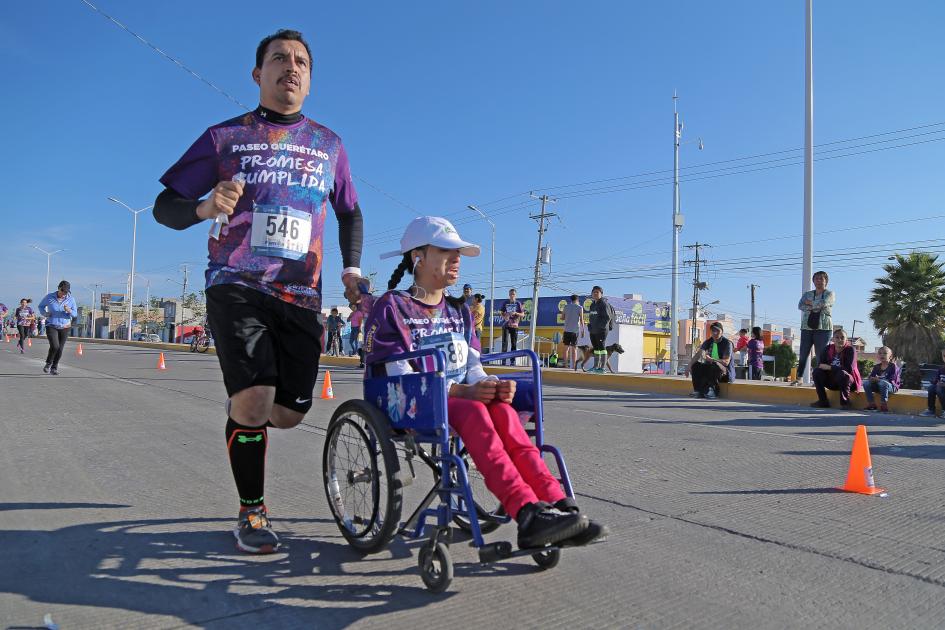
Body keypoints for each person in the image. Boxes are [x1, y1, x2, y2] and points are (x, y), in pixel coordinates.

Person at [153, 29, 364, 554]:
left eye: (301, 62)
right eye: (278, 59)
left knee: (288, 414)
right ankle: (252, 511)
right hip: (236, 283)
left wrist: (352, 270)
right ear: (257, 75)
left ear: (310, 80)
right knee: (252, 402)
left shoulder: (329, 146)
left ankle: (252, 417)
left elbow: (350, 211)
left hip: (301, 296)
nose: (290, 68)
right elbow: (164, 206)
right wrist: (204, 207)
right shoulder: (225, 137)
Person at [365, 216, 606, 549]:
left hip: (460, 398)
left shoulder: (460, 312)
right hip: (413, 400)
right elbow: (398, 374)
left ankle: (560, 506)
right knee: (475, 413)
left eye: (458, 252)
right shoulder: (393, 307)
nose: (457, 259)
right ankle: (526, 513)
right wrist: (463, 391)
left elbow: (473, 366)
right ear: (418, 257)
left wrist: (491, 384)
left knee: (504, 411)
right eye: (446, 251)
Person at [796, 271, 835, 384]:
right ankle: (799, 378)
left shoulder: (830, 293)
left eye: (821, 279)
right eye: (816, 279)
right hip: (807, 327)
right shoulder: (807, 294)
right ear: (813, 281)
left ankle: (819, 380)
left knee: (820, 355)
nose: (818, 281)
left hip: (824, 328)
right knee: (803, 353)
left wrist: (810, 304)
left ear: (826, 281)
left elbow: (824, 303)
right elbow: (800, 305)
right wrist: (815, 305)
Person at [810, 328, 862, 409]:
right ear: (833, 339)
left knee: (843, 374)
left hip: (848, 383)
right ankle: (823, 401)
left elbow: (848, 369)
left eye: (842, 337)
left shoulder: (850, 350)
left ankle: (845, 403)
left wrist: (830, 367)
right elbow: (821, 365)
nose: (839, 339)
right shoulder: (827, 349)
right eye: (837, 337)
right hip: (832, 381)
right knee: (817, 372)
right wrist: (831, 368)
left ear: (846, 339)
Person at [685, 322, 735, 399]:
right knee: (696, 365)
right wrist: (689, 366)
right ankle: (698, 390)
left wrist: (712, 359)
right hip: (711, 369)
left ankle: (713, 390)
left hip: (725, 373)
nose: (715, 333)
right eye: (713, 331)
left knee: (714, 364)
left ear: (722, 332)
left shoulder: (727, 343)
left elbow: (726, 362)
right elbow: (698, 354)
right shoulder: (709, 342)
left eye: (717, 330)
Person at [37, 281, 77, 375]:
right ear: (58, 288)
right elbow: (41, 306)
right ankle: (48, 363)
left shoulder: (71, 299)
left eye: (66, 292)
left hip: (65, 326)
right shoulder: (49, 297)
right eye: (62, 290)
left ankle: (54, 368)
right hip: (51, 325)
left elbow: (75, 314)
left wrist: (69, 310)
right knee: (55, 346)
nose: (64, 293)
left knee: (60, 348)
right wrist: (45, 313)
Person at [862, 346, 900, 412]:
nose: (882, 355)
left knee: (883, 383)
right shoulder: (876, 366)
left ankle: (883, 405)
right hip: (879, 386)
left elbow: (891, 380)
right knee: (866, 384)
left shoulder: (893, 366)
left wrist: (879, 380)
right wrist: (872, 378)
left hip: (891, 387)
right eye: (880, 353)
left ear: (890, 356)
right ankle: (872, 404)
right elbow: (871, 377)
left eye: (885, 353)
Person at [587, 286, 613, 374]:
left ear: (601, 294)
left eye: (597, 292)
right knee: (596, 348)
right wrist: (590, 326)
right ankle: (595, 367)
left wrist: (600, 327)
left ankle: (602, 368)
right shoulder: (592, 304)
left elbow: (607, 317)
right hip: (593, 330)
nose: (595, 293)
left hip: (601, 330)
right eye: (594, 292)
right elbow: (591, 317)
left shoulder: (604, 304)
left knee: (602, 348)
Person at [500, 288, 524, 365]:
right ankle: (503, 360)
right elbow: (501, 312)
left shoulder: (518, 303)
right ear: (509, 295)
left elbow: (522, 314)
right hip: (506, 325)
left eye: (513, 294)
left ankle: (512, 361)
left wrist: (516, 313)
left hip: (514, 325)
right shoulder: (505, 302)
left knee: (514, 344)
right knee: (505, 342)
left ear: (515, 295)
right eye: (510, 294)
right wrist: (505, 316)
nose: (512, 296)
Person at [562, 294, 585, 371]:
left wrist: (567, 316)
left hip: (566, 330)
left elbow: (562, 318)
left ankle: (565, 365)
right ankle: (574, 366)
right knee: (574, 349)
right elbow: (582, 320)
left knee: (566, 348)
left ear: (571, 300)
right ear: (577, 300)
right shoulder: (580, 307)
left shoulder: (566, 307)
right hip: (575, 331)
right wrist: (583, 330)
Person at [920, 349, 945, 419]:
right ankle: (931, 410)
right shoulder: (941, 369)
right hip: (941, 389)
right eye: (944, 356)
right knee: (931, 388)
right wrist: (935, 382)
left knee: (939, 388)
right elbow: (936, 380)